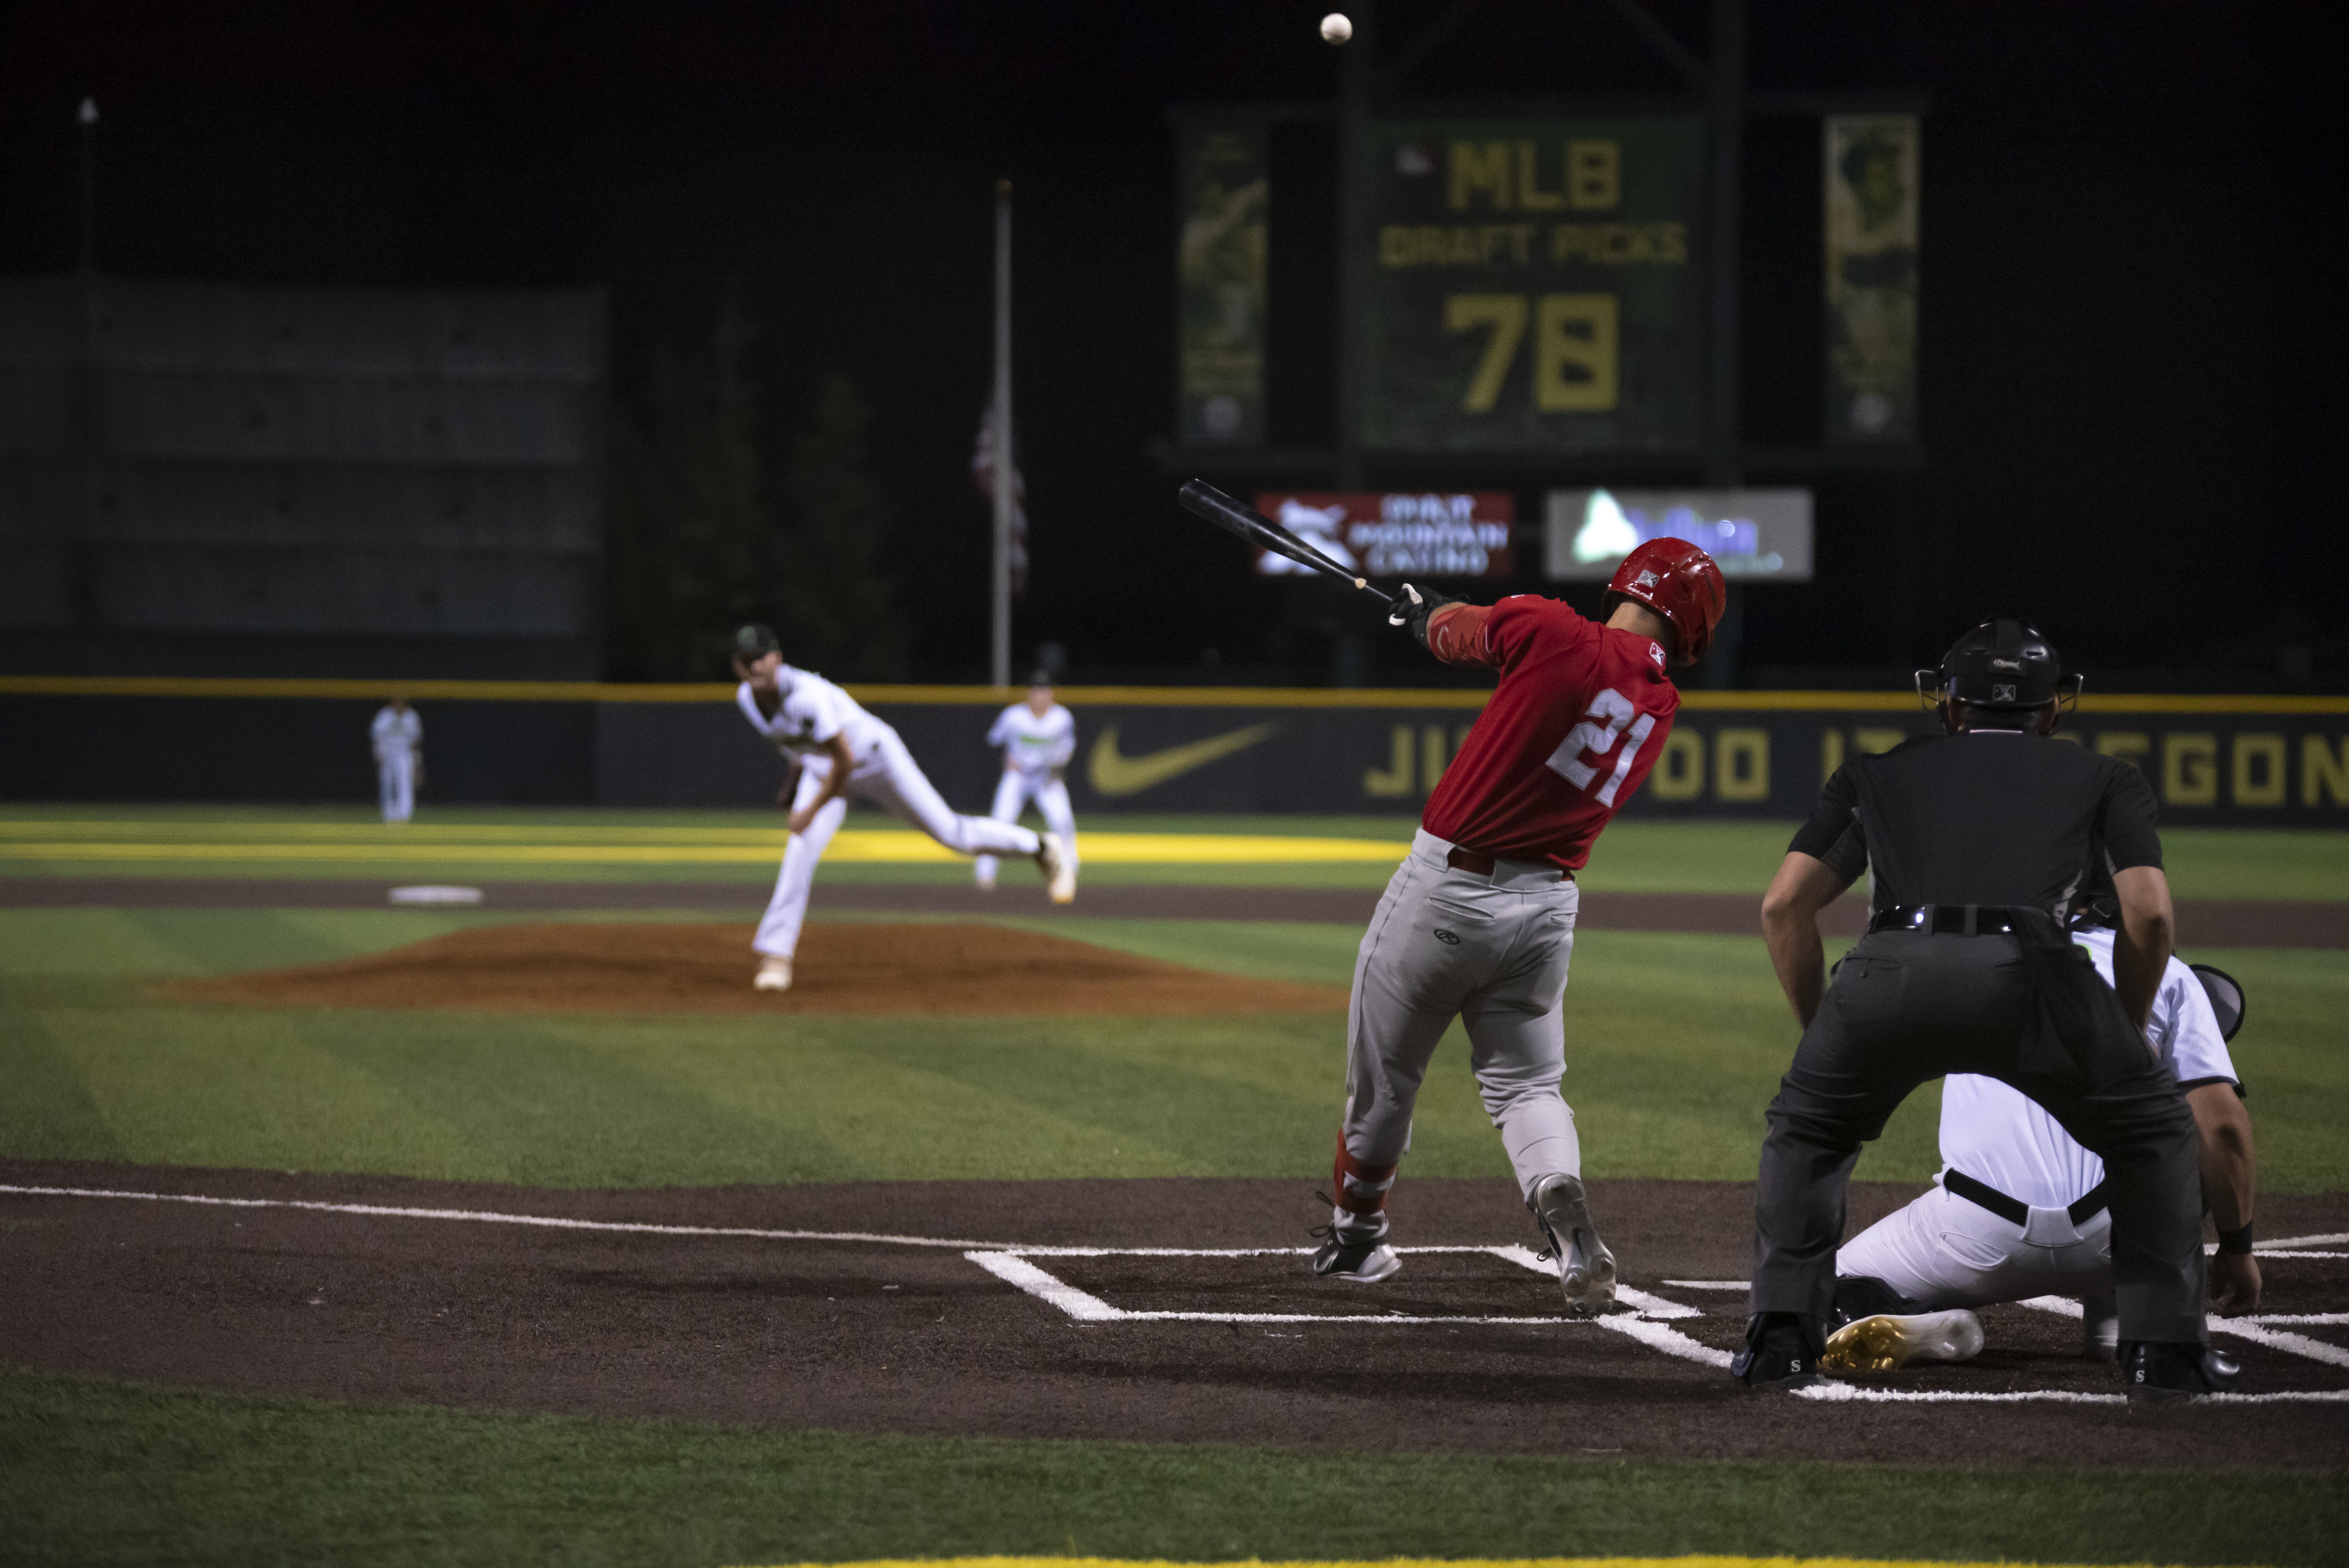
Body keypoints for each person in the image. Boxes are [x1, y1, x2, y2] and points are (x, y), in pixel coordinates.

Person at [1745, 619, 2235, 1403]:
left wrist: (1826, 1037)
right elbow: (2146, 917)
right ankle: (2161, 1350)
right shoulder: (2105, 777)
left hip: (1887, 968)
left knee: (1806, 1131)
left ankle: (1777, 1338)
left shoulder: (1872, 773)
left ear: (1947, 704)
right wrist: (2122, 1028)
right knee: (2151, 1132)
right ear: (2050, 710)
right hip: (2032, 971)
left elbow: (1781, 908)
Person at [1311, 540, 1726, 1319]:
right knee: (1526, 1086)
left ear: (1625, 583)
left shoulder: (1552, 627)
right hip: (1546, 910)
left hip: (1445, 890)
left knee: (1386, 1077)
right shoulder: (1659, 701)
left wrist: (1423, 613)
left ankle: (1358, 1234)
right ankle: (1560, 1204)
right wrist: (1432, 612)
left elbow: (1454, 634)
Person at [1823, 893, 2259, 1372]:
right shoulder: (2171, 976)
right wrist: (2237, 1249)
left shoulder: (1965, 960)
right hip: (2118, 1232)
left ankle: (1920, 1321)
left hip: (1975, 1232)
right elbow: (2223, 1128)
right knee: (2166, 1144)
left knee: (1810, 1292)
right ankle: (2131, 1323)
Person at [731, 624, 1072, 992]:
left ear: (777, 659)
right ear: (737, 666)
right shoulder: (747, 700)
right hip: (824, 770)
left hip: (875, 762)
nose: (754, 667)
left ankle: (1041, 846)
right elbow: (799, 746)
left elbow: (844, 761)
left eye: (760, 658)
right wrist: (793, 783)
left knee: (953, 834)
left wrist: (809, 811)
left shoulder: (807, 696)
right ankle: (776, 956)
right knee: (800, 851)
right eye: (745, 660)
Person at [974, 670, 1078, 896]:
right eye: (1036, 691)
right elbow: (993, 741)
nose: (1041, 696)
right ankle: (985, 875)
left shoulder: (1062, 718)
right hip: (1018, 776)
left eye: (1045, 691)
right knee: (1000, 823)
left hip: (1046, 777)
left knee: (1062, 822)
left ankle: (1069, 874)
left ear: (1052, 695)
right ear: (1029, 694)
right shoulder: (1014, 716)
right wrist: (1005, 759)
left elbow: (1068, 749)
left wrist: (1058, 765)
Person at [370, 696, 422, 824]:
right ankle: (389, 814)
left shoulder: (411, 716)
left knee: (405, 784)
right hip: (388, 754)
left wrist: (416, 758)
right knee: (387, 784)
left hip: (404, 754)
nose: (400, 703)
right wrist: (378, 752)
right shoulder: (385, 715)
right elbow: (377, 736)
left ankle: (405, 814)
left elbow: (416, 738)